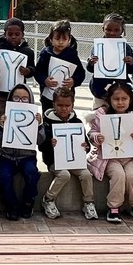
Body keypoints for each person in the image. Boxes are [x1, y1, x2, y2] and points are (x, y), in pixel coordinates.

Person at [87, 82, 133, 223]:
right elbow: (92, 133)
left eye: (124, 99)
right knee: (118, 175)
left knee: (132, 176)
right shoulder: (101, 115)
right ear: (109, 100)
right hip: (109, 158)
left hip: (131, 158)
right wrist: (97, 137)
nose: (120, 102)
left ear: (130, 99)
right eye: (116, 99)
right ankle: (114, 207)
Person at [39, 87, 96, 220]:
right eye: (60, 105)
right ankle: (48, 199)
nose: (63, 108)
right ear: (53, 105)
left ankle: (88, 202)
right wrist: (49, 144)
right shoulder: (47, 123)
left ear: (72, 105)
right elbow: (41, 145)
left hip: (75, 160)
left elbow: (86, 144)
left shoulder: (77, 122)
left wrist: (86, 146)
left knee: (86, 174)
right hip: (54, 161)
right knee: (64, 175)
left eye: (67, 105)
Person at [0, 83, 44, 220]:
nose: (20, 101)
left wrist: (39, 126)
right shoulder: (5, 117)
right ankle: (12, 206)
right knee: (3, 177)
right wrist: (1, 127)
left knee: (32, 173)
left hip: (27, 156)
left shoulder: (35, 117)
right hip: (7, 156)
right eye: (16, 98)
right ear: (10, 100)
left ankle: (28, 203)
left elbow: (40, 141)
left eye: (24, 98)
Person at [86, 13, 133, 111]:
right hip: (100, 91)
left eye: (116, 30)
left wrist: (131, 63)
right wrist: (91, 63)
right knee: (99, 118)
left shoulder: (126, 48)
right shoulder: (97, 46)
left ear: (122, 30)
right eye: (108, 29)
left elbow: (131, 70)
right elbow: (91, 69)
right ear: (103, 29)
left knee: (119, 117)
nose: (112, 33)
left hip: (120, 92)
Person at [33, 19, 86, 112]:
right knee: (48, 118)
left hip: (67, 99)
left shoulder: (72, 55)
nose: (61, 42)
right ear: (51, 39)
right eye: (57, 39)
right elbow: (37, 72)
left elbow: (81, 73)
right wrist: (44, 80)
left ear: (69, 40)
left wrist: (73, 81)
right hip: (47, 98)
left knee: (65, 120)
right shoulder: (45, 54)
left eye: (64, 39)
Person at [0, 17, 36, 123]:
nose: (13, 37)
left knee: (18, 121)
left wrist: (28, 71)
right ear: (5, 33)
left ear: (22, 35)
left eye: (17, 34)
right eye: (10, 34)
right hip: (0, 94)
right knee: (2, 120)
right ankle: (0, 139)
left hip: (20, 94)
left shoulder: (27, 52)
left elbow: (33, 69)